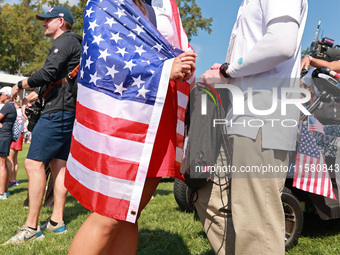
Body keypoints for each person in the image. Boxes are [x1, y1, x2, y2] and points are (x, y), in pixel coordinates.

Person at [65, 0, 196, 254]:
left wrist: (183, 60)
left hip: (160, 113)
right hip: (124, 119)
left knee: (129, 214)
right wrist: (166, 68)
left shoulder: (165, 5)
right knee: (109, 215)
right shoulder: (106, 3)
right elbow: (104, 60)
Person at [196, 1, 308, 254]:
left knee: (257, 223)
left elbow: (282, 43)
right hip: (238, 114)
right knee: (206, 194)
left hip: (263, 116)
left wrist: (227, 71)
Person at [3, 6, 82, 244]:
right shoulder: (74, 43)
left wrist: (21, 83)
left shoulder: (65, 41)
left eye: (47, 20)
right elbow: (60, 78)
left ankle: (31, 228)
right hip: (67, 110)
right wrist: (36, 95)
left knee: (33, 162)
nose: (43, 23)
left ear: (61, 21)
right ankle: (57, 222)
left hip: (57, 112)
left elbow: (48, 73)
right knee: (59, 165)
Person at [0, 87, 17, 199]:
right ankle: (4, 190)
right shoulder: (11, 106)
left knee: (1, 164)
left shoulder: (7, 106)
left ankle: (2, 192)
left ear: (6, 95)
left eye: (0, 94)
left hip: (3, 136)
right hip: (6, 136)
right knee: (4, 163)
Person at [7, 99, 24, 187]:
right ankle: (13, 178)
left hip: (14, 134)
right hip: (20, 135)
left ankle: (10, 179)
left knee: (10, 158)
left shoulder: (15, 112)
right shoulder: (21, 112)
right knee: (15, 159)